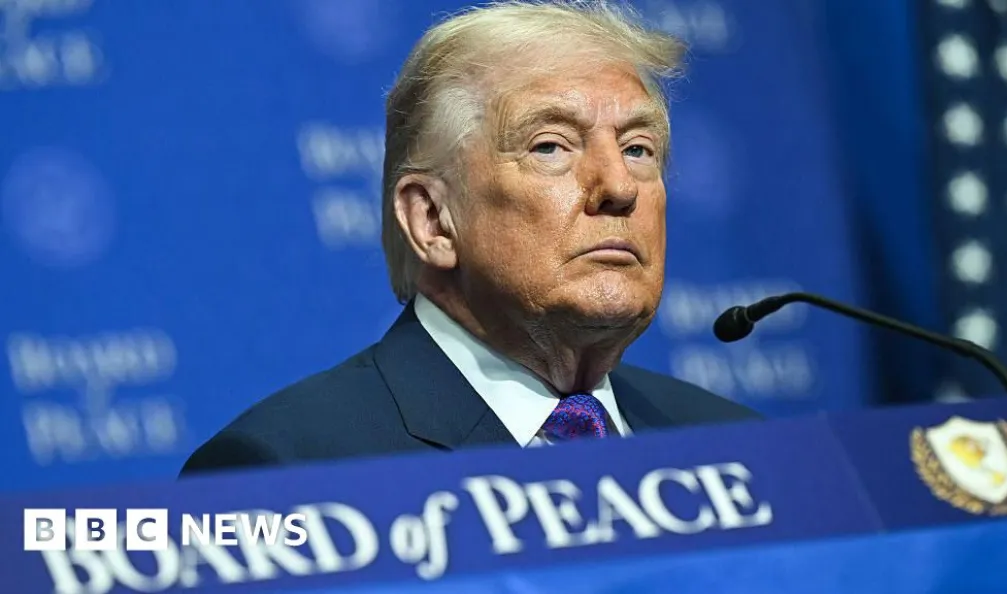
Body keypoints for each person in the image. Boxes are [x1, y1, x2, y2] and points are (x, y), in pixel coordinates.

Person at [180, 0, 759, 475]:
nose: (619, 186)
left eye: (638, 149)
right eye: (550, 146)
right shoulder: (286, 469)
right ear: (432, 220)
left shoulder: (738, 447)